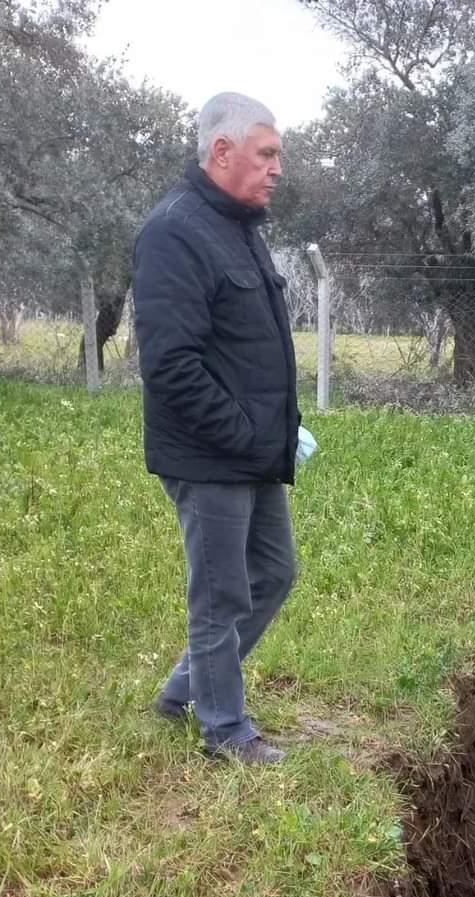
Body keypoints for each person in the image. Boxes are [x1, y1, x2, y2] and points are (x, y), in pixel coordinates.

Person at [132, 92, 299, 764]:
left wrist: (273, 431)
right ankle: (225, 730)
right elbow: (171, 364)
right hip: (211, 455)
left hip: (251, 450)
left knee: (274, 571)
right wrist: (242, 432)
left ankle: (182, 691)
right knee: (221, 593)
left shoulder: (237, 227)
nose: (277, 168)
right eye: (267, 153)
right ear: (222, 152)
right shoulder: (173, 231)